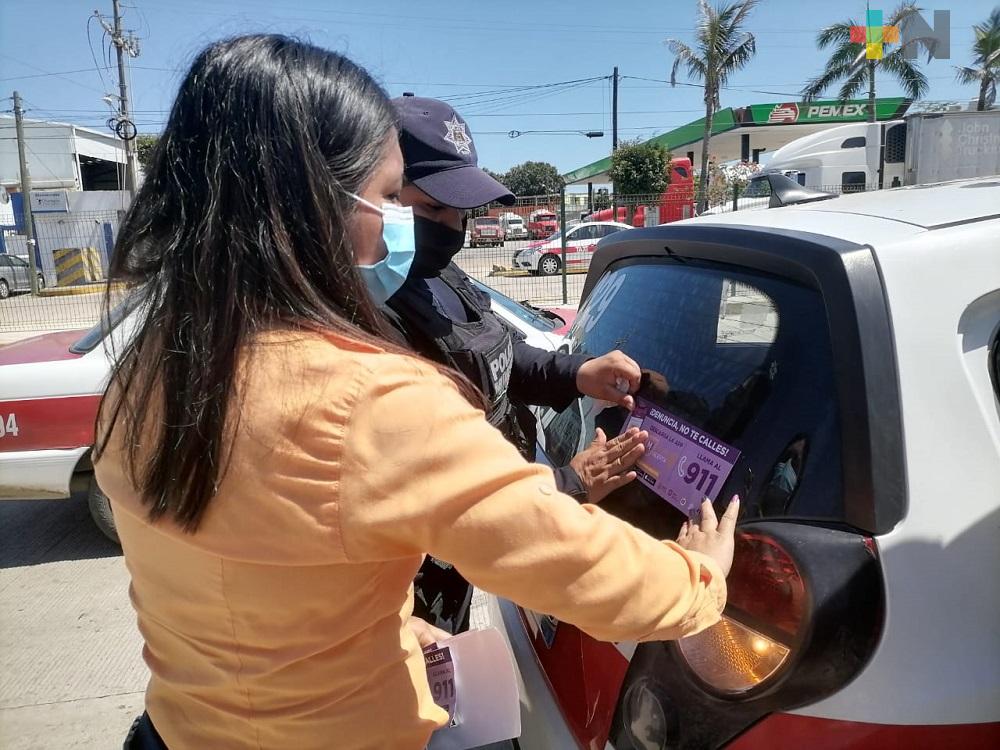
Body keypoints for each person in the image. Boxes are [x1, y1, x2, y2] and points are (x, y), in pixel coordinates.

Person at [94, 35, 738, 750]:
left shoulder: (151, 368)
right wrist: (702, 577)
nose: (404, 223)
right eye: (389, 197)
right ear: (314, 202)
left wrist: (383, 622)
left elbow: (249, 569)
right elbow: (581, 570)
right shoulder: (372, 397)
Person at [388, 96, 648, 632]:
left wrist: (577, 372)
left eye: (461, 212)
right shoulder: (366, 315)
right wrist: (566, 486)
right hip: (409, 596)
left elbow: (501, 351)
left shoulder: (437, 275)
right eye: (433, 210)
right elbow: (440, 494)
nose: (452, 227)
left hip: (462, 571)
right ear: (379, 194)